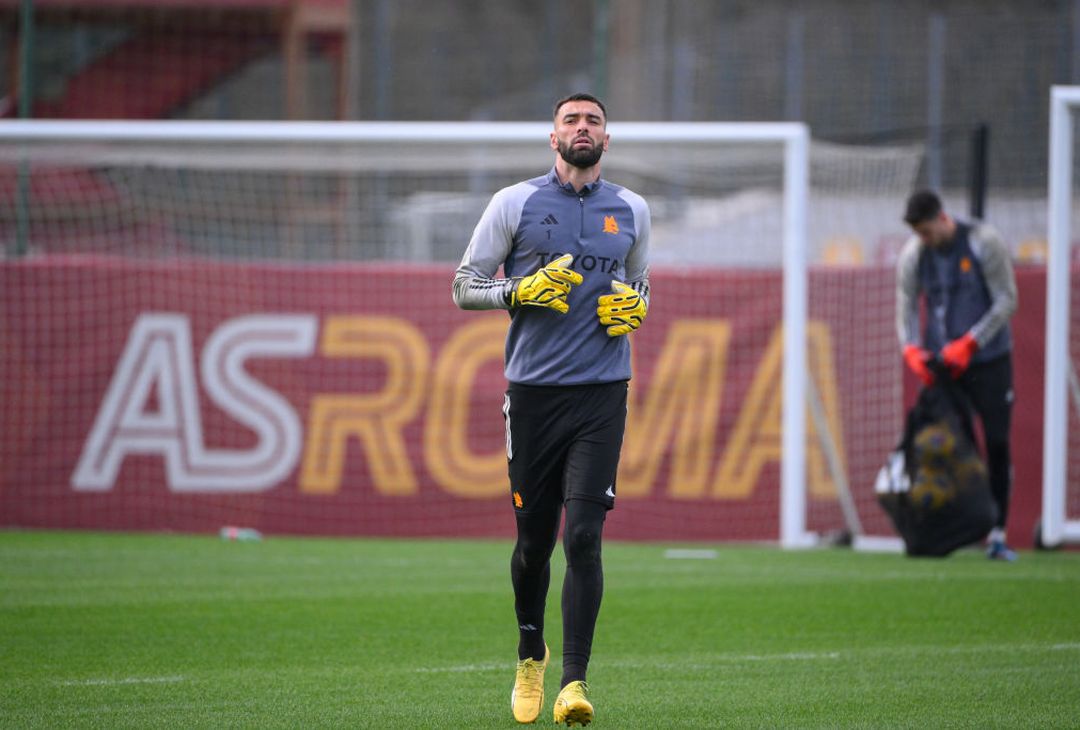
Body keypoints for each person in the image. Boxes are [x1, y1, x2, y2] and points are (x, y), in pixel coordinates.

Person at [452, 92, 650, 726]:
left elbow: (640, 282)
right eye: (572, 119)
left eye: (593, 120)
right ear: (553, 136)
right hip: (533, 396)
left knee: (585, 538)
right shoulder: (514, 203)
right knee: (534, 545)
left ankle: (574, 683)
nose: (583, 128)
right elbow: (463, 285)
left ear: (607, 139)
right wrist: (519, 290)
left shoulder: (633, 209)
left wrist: (638, 307)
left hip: (602, 393)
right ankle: (529, 655)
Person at [896, 190, 1019, 561]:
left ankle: (998, 533)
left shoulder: (984, 243)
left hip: (990, 360)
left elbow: (1007, 299)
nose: (924, 240)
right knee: (948, 446)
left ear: (942, 218)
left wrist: (972, 341)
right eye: (919, 233)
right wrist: (911, 348)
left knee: (997, 443)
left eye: (927, 231)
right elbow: (904, 306)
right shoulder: (915, 255)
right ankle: (952, 530)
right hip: (947, 366)